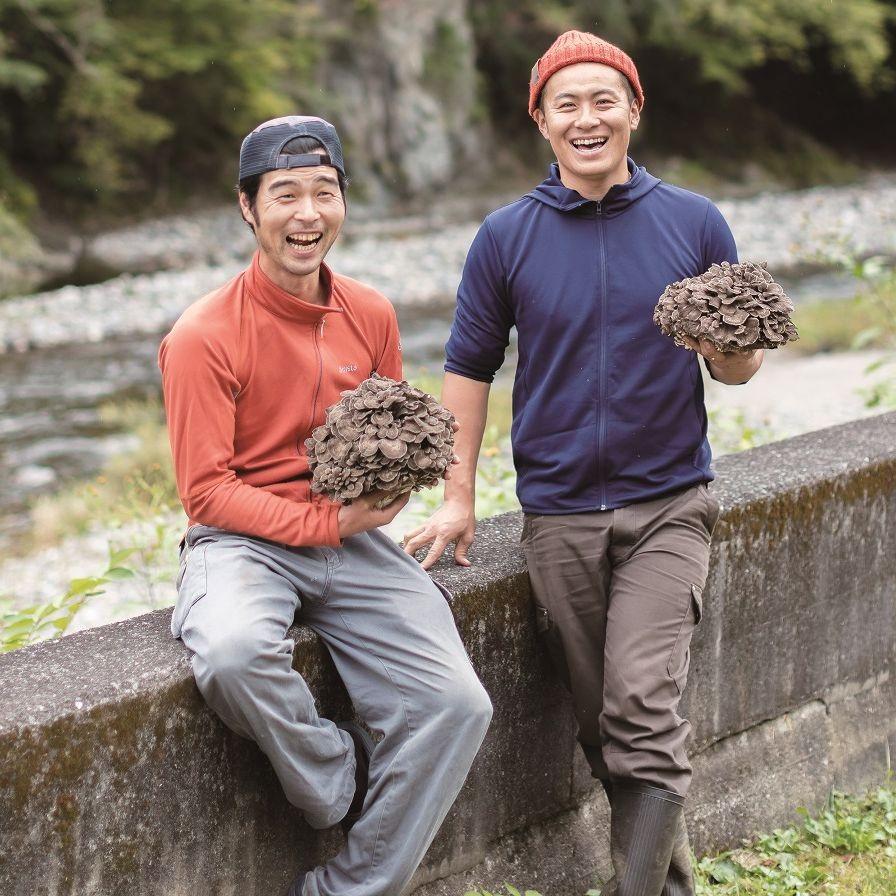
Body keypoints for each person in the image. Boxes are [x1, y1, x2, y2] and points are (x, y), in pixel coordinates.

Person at [403, 31, 762, 896]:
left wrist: (728, 346)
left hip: (670, 502)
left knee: (641, 708)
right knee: (610, 730)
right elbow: (468, 369)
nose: (587, 116)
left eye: (605, 99)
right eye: (567, 103)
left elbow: (739, 365)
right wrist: (458, 497)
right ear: (541, 121)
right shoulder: (505, 237)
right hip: (558, 513)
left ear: (634, 111)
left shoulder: (694, 220)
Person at [159, 115, 492, 896]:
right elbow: (205, 491)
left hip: (354, 540)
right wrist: (324, 523)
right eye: (285, 195)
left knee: (455, 705)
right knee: (233, 651)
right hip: (240, 540)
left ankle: (349, 890)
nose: (307, 214)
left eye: (324, 192)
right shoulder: (202, 335)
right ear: (249, 208)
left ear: (342, 202)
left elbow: (394, 429)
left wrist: (396, 486)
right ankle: (332, 779)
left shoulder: (370, 313)